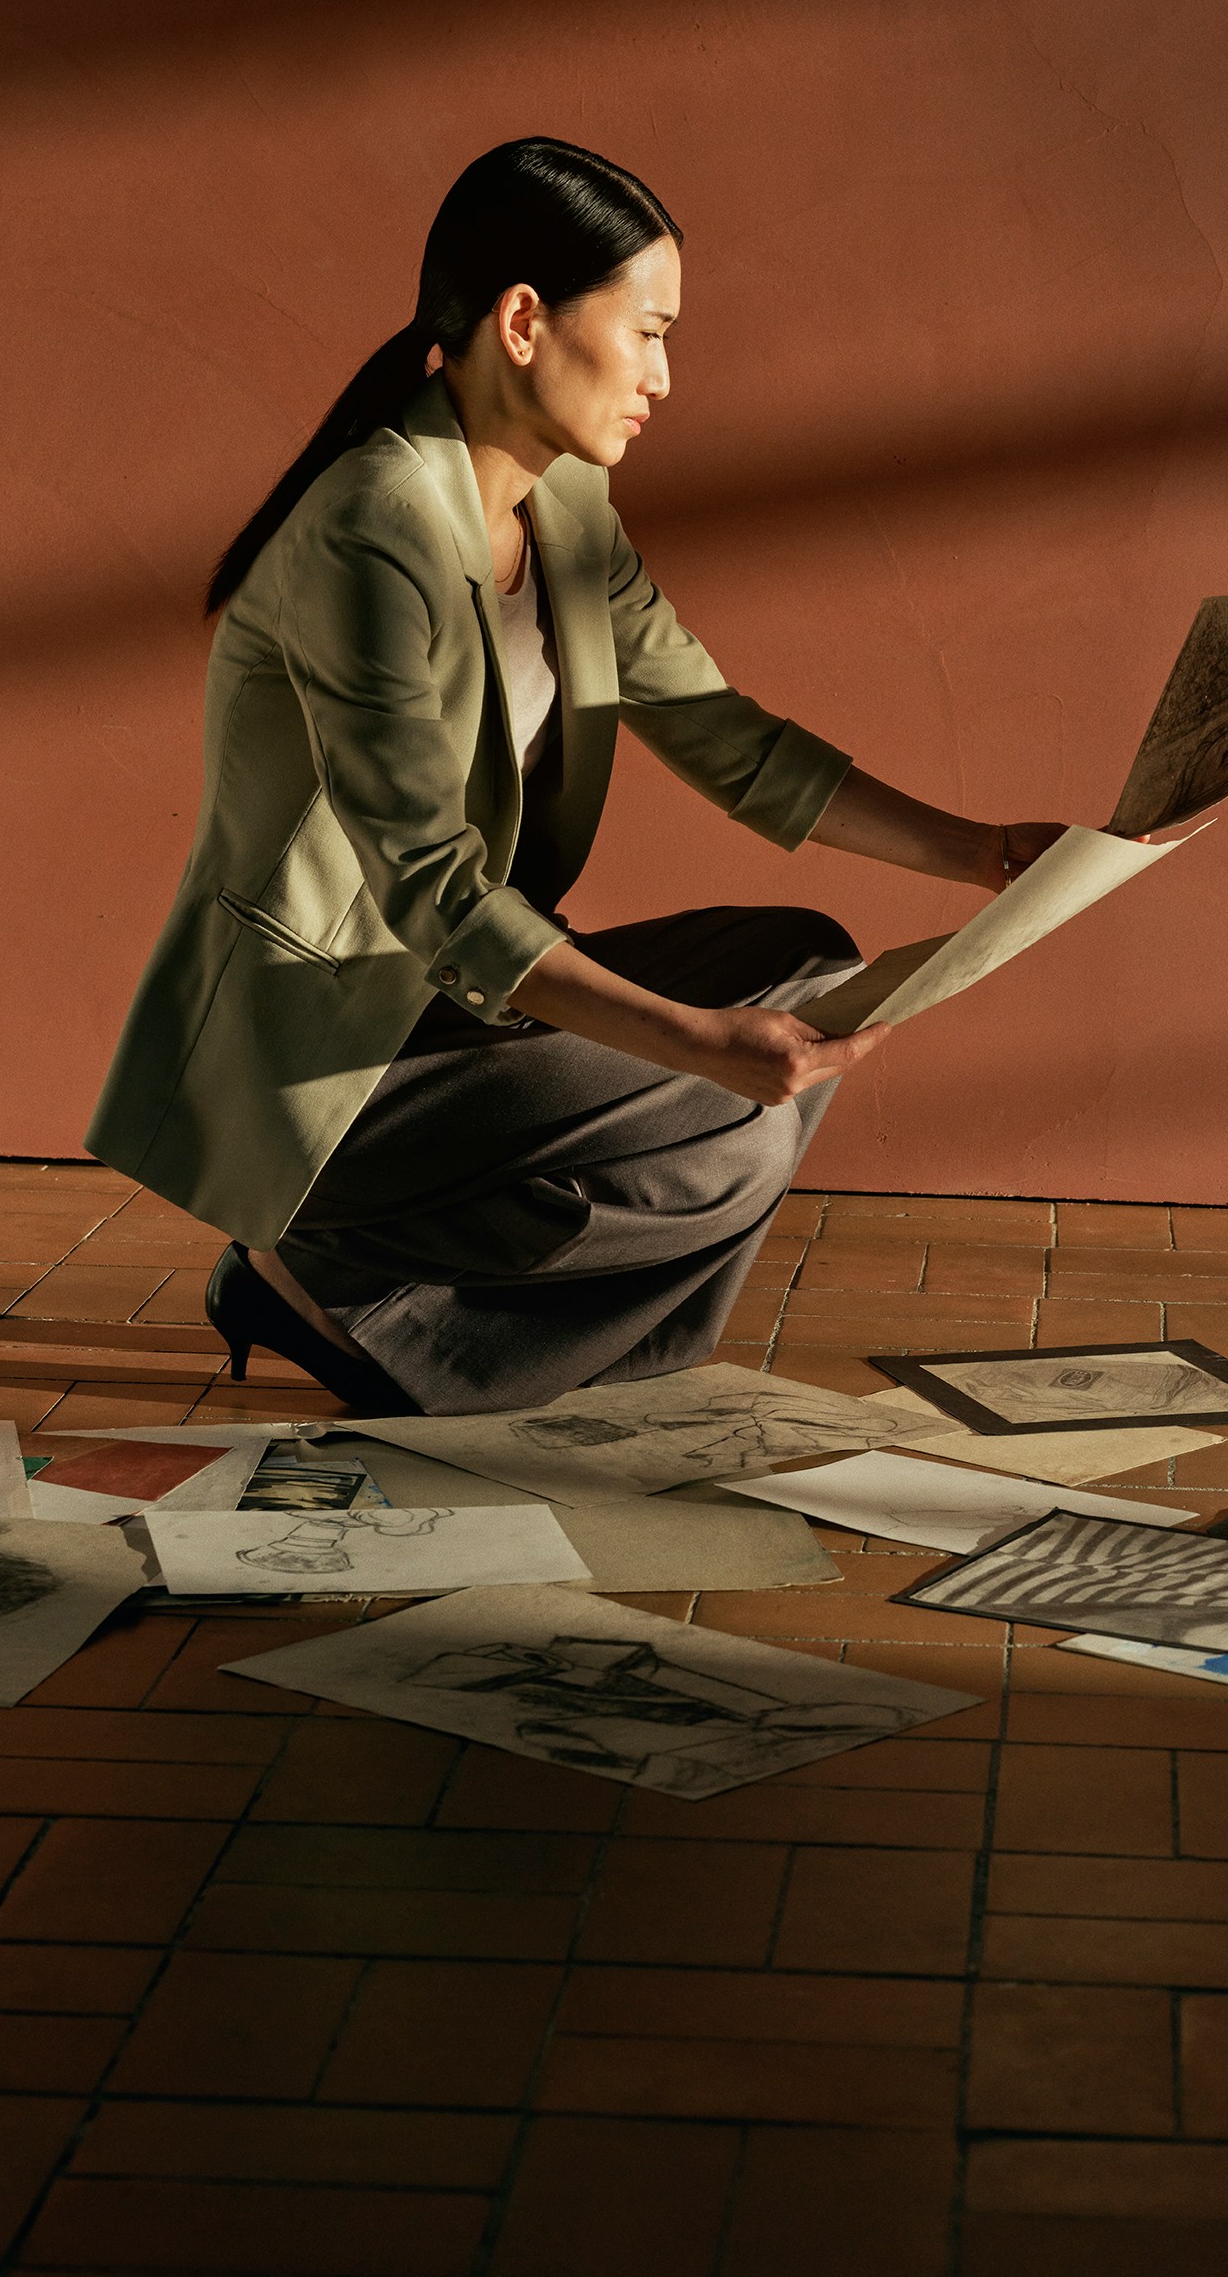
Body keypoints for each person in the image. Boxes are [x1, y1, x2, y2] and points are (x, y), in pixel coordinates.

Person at [87, 138, 1066, 1414]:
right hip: (330, 1064)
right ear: (525, 321)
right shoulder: (369, 530)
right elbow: (430, 882)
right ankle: (326, 1274)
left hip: (459, 1012)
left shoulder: (568, 509)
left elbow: (724, 733)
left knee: (807, 959)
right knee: (736, 1132)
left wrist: (985, 852)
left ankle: (374, 1302)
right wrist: (695, 1044)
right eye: (648, 331)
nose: (666, 376)